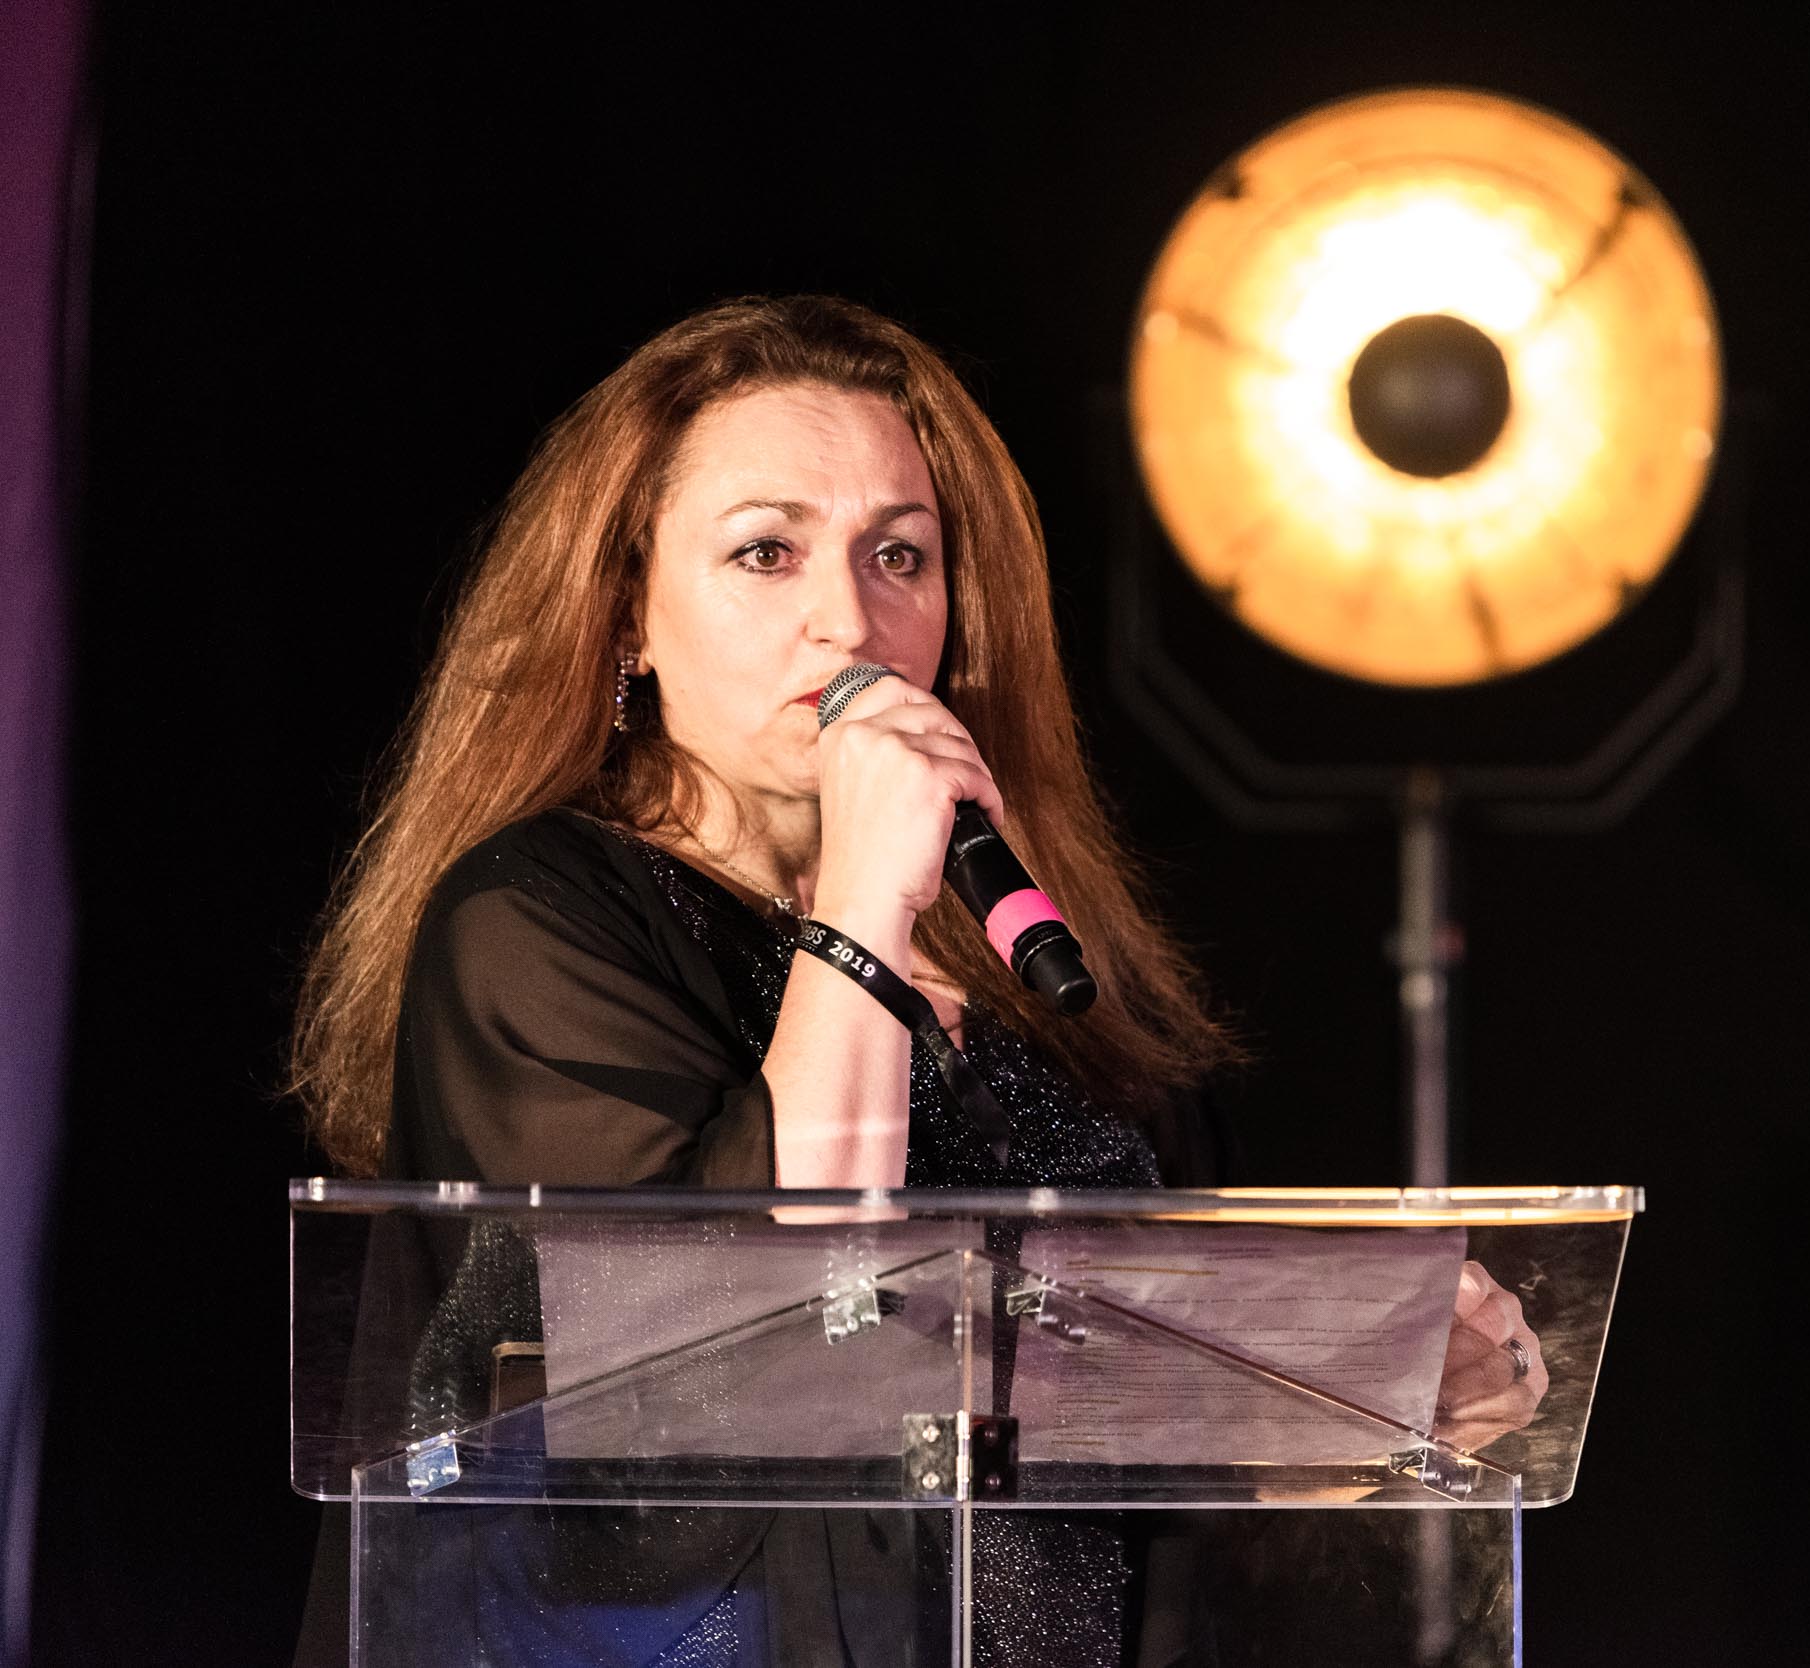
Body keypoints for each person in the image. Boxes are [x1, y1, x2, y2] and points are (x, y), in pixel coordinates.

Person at [288, 295, 1546, 1664]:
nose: (851, 619)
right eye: (765, 552)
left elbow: (1159, 1443)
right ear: (624, 616)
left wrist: (1378, 1396)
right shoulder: (534, 922)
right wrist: (864, 905)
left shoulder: (1026, 968)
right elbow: (748, 1344)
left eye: (900, 554)